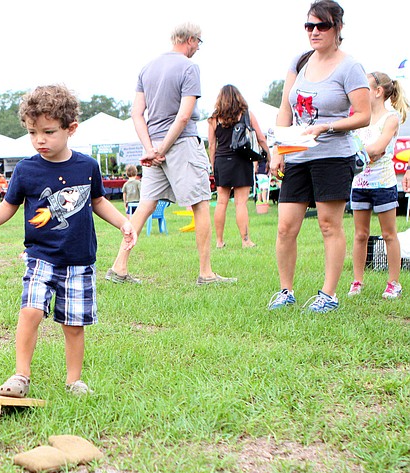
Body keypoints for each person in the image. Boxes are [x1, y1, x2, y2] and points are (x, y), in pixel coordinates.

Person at [0, 84, 136, 398]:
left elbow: (97, 201)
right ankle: (20, 376)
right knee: (30, 310)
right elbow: (8, 206)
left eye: (48, 132)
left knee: (73, 324)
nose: (39, 140)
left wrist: (124, 222)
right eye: (32, 133)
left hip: (79, 260)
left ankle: (74, 381)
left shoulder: (87, 166)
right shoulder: (26, 170)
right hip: (40, 256)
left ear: (71, 129)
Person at [106, 23, 235, 286]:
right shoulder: (190, 68)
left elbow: (136, 113)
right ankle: (206, 273)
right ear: (189, 39)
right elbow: (184, 115)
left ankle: (119, 267)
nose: (198, 47)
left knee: (145, 204)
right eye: (199, 42)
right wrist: (162, 149)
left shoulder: (147, 68)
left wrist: (150, 149)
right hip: (180, 144)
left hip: (152, 145)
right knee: (200, 203)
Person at [268, 0, 370, 313]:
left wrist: (327, 126)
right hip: (297, 154)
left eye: (321, 26)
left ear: (337, 28)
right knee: (285, 227)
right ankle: (286, 291)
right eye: (309, 26)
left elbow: (364, 115)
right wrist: (277, 149)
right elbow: (285, 109)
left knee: (329, 225)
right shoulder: (299, 62)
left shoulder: (350, 66)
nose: (314, 32)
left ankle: (328, 295)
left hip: (332, 155)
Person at [348, 71, 407, 300]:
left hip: (383, 184)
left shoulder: (390, 119)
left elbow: (378, 148)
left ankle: (393, 283)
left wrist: (358, 154)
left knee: (388, 234)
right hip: (360, 183)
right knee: (360, 235)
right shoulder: (359, 118)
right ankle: (357, 281)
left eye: (365, 87)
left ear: (378, 91)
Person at [207, 84, 270, 248]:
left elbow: (212, 145)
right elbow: (261, 138)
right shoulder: (247, 114)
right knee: (241, 203)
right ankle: (245, 240)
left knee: (221, 202)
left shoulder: (214, 119)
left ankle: (219, 241)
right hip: (242, 160)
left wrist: (213, 165)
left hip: (221, 160)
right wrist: (268, 156)